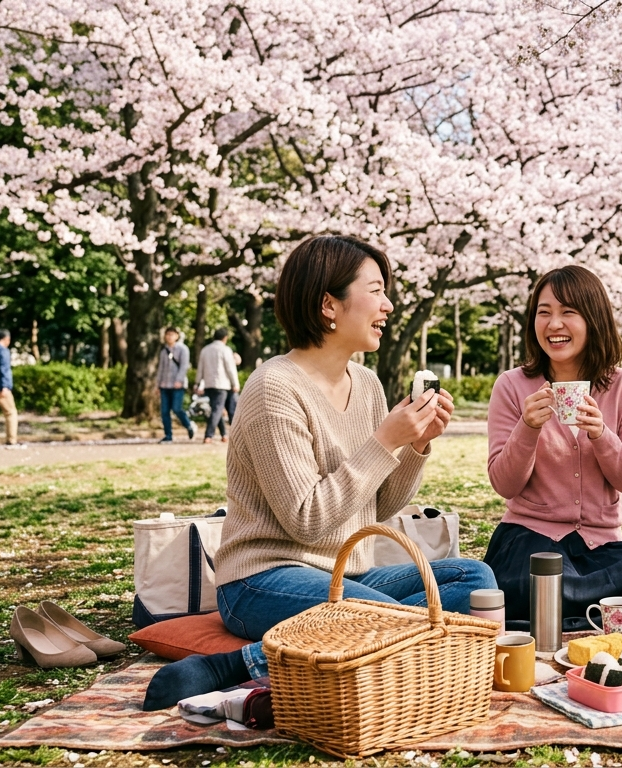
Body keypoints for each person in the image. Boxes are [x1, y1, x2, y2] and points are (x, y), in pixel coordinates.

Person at [143, 236, 495, 710]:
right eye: (376, 290)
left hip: (349, 573)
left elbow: (377, 505)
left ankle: (268, 657)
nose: (388, 305)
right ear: (329, 304)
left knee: (476, 580)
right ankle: (235, 667)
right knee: (385, 616)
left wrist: (415, 445)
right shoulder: (274, 387)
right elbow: (306, 520)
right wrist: (385, 441)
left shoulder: (367, 384)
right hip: (263, 577)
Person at [485, 265, 622, 632]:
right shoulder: (512, 386)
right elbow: (504, 485)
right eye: (544, 312)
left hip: (601, 545)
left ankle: (566, 619)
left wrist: (601, 434)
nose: (554, 324)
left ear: (593, 318)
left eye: (568, 312)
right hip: (531, 538)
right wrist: (528, 428)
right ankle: (579, 618)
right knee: (534, 582)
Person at [196, 328, 241, 444]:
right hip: (222, 384)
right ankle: (208, 435)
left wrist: (197, 383)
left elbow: (200, 368)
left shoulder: (205, 350)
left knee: (217, 409)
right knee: (217, 410)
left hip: (209, 384)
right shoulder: (225, 350)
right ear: (225, 337)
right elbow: (230, 369)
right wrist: (235, 383)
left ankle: (224, 434)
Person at [157, 327, 195, 443]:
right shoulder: (164, 351)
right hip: (165, 384)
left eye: (172, 335)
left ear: (177, 336)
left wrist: (179, 380)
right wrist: (157, 384)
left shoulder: (183, 349)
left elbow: (184, 366)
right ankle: (168, 435)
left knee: (177, 408)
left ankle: (188, 425)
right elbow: (161, 368)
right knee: (164, 411)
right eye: (167, 335)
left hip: (178, 385)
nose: (169, 337)